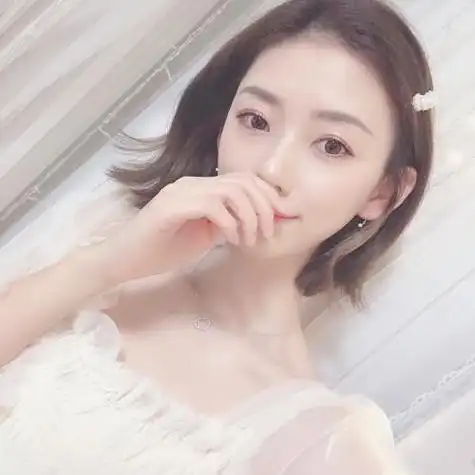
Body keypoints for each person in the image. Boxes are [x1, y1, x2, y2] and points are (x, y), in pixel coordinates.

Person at [0, 0, 435, 473]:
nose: (272, 168)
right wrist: (107, 264)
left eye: (332, 146)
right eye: (256, 121)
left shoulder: (320, 442)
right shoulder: (102, 236)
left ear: (382, 192)